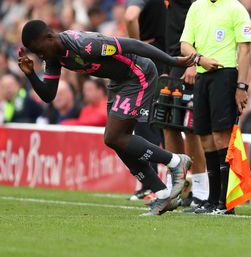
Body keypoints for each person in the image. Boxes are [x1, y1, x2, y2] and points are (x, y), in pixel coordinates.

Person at [18, 20, 195, 216]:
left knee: (114, 137)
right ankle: (163, 195)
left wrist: (172, 61)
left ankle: (175, 162)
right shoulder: (54, 58)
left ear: (49, 37)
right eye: (35, 52)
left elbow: (133, 45)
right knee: (116, 141)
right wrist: (31, 75)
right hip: (119, 82)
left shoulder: (84, 44)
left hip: (138, 73)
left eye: (39, 49)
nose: (39, 55)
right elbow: (49, 95)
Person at [180, 0, 251, 215]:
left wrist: (241, 86)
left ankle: (225, 203)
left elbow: (245, 52)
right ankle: (212, 200)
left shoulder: (236, 9)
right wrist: (199, 59)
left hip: (226, 76)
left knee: (222, 137)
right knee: (205, 138)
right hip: (202, 76)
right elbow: (185, 44)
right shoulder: (197, 8)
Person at [159, 0, 209, 209]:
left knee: (190, 127)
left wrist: (195, 60)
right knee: (168, 123)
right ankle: (175, 185)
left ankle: (201, 190)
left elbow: (203, 17)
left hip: (188, 60)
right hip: (173, 61)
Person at [124, 0, 168, 200]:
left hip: (150, 62)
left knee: (144, 120)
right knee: (168, 123)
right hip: (174, 61)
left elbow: (130, 16)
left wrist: (136, 44)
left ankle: (150, 185)